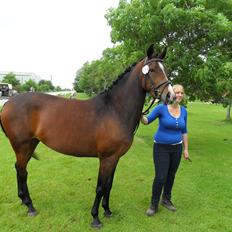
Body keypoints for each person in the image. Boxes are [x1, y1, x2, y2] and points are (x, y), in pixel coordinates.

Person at [140, 84, 189, 216]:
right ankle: (154, 204)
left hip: (177, 148)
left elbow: (184, 131)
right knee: (161, 176)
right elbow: (146, 121)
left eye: (181, 93)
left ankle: (166, 200)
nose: (179, 95)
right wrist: (139, 113)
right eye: (176, 92)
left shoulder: (184, 111)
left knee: (171, 176)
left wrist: (186, 149)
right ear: (171, 93)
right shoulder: (161, 108)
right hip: (161, 147)